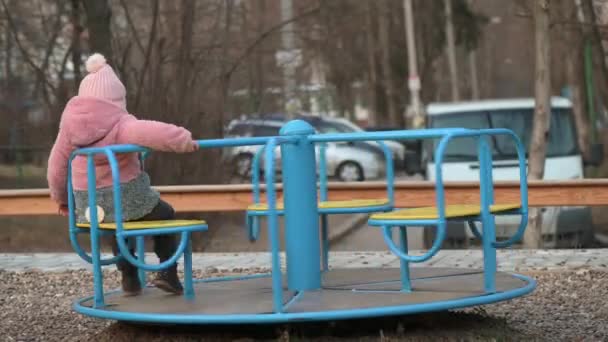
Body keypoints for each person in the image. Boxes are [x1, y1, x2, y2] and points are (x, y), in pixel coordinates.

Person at [47, 53, 199, 296]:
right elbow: (155, 132)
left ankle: (128, 276)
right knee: (165, 214)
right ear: (116, 100)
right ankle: (168, 273)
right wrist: (185, 141)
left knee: (114, 224)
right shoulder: (120, 124)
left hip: (89, 207)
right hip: (129, 200)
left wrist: (63, 200)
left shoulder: (68, 130)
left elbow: (56, 167)